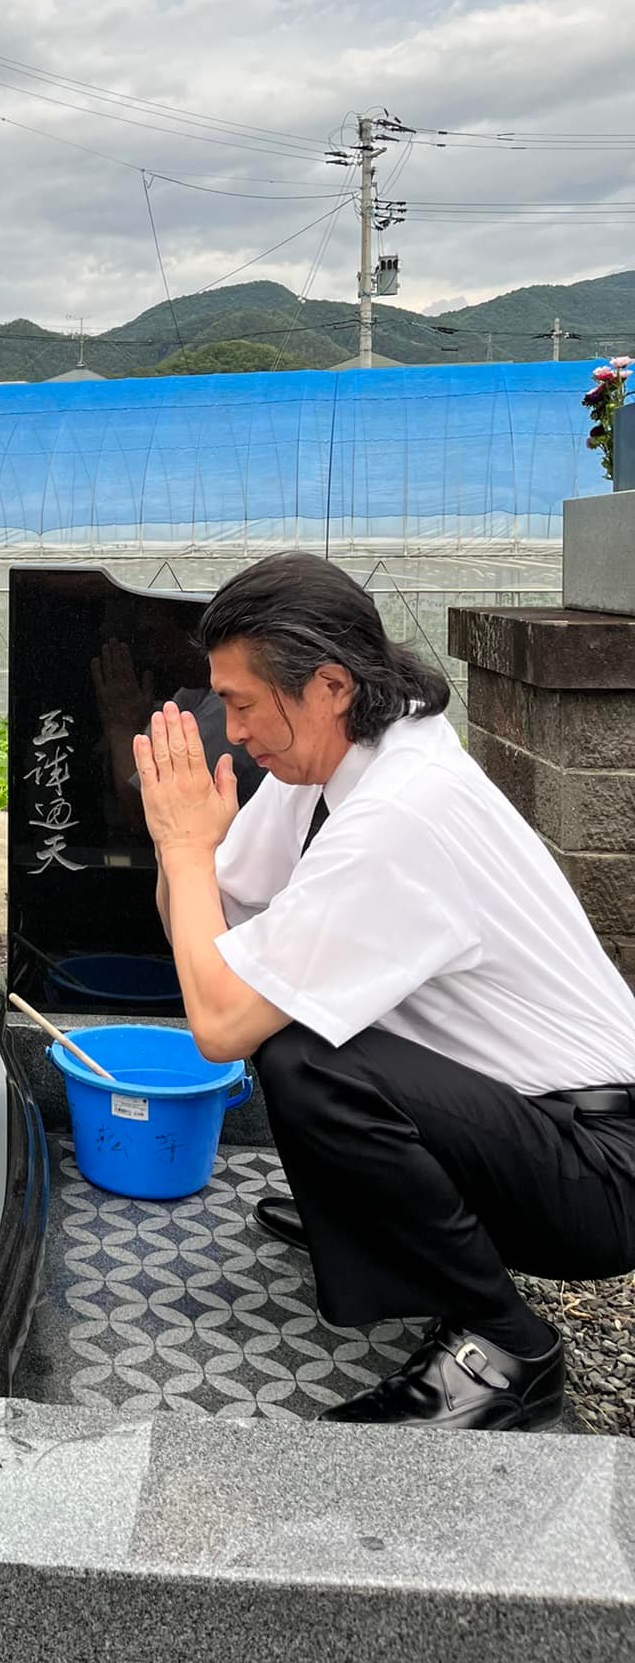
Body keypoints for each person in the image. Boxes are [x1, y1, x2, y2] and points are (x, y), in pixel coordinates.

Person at [133, 551, 635, 1431]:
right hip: (526, 1123)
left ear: (330, 685)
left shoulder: (401, 812)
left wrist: (183, 849)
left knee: (303, 1057)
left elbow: (220, 1023)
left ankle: (506, 1348)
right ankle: (378, 1227)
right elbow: (208, 929)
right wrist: (193, 854)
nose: (232, 731)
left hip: (600, 1168)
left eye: (243, 703)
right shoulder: (341, 758)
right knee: (289, 1022)